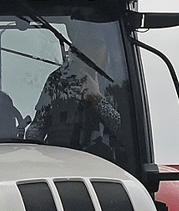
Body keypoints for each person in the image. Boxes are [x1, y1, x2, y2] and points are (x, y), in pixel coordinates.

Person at [26, 21, 125, 162]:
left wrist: (97, 100)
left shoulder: (119, 84)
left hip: (103, 167)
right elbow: (37, 125)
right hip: (57, 165)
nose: (91, 49)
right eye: (85, 43)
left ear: (107, 49)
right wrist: (32, 145)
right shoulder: (58, 80)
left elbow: (128, 135)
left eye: (97, 43)